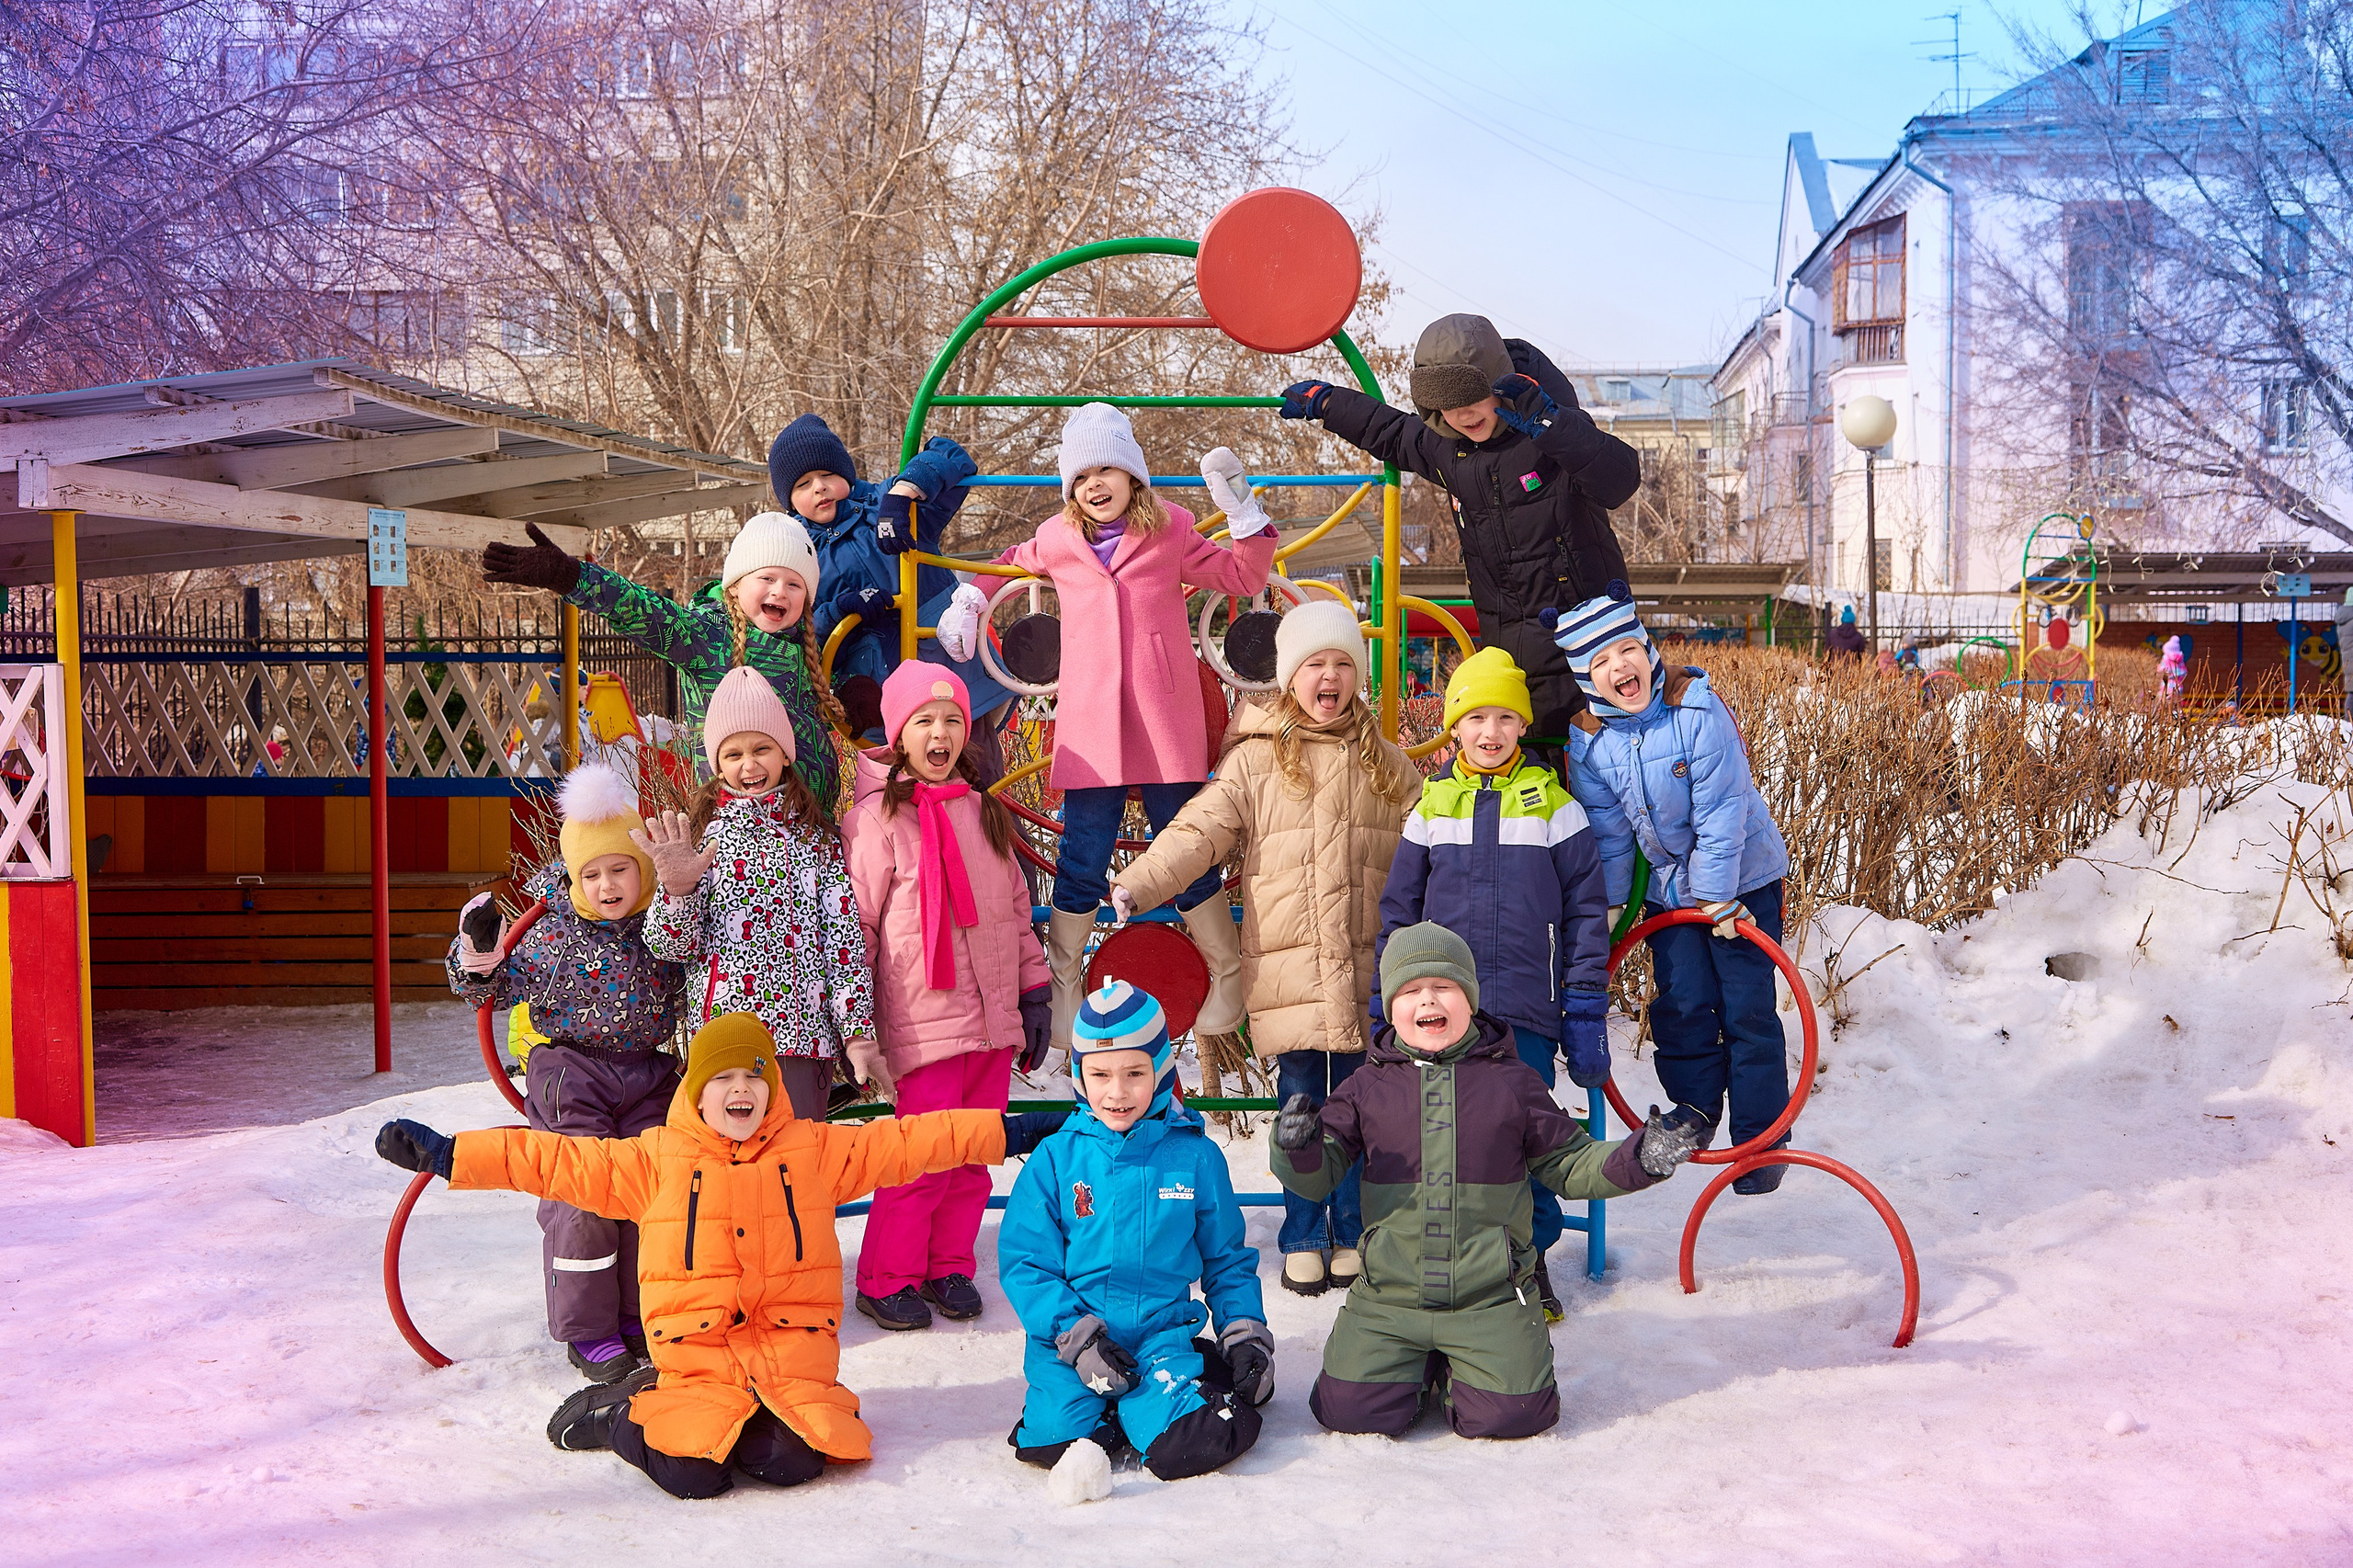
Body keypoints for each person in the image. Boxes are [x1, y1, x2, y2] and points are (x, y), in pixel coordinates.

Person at [372, 1013, 1066, 1498]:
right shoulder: (656, 1161)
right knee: (692, 1475)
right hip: (697, 1358)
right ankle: (622, 1416)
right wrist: (448, 1154)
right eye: (723, 1078)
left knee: (796, 1463)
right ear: (695, 1090)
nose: (741, 1091)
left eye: (755, 1077)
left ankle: (743, 1419)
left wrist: (1007, 1132)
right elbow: (551, 1159)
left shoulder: (814, 1151)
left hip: (791, 1359)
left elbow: (913, 1142)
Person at [936, 403, 1277, 1062]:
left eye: (1108, 470)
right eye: (1082, 475)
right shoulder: (1059, 540)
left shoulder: (1171, 530)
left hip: (1162, 721)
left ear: (1133, 477)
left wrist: (1243, 516)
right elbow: (1008, 563)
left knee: (1182, 845)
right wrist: (971, 600)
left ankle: (1226, 982)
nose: (1096, 485)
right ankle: (1065, 990)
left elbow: (1242, 577)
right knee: (1083, 854)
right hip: (1093, 730)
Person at [1273, 924, 1706, 1440]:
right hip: (1390, 1297)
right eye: (1410, 991)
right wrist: (1296, 1145)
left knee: (1516, 1415)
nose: (1427, 999)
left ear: (1470, 1001)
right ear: (1392, 1008)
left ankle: (1465, 1370)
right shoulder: (1366, 1087)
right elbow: (1318, 1176)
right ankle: (1412, 1368)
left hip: (1490, 1297)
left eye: (1444, 987)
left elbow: (1571, 1163)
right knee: (1346, 1412)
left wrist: (1642, 1156)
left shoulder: (1514, 1082)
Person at [1108, 601, 1417, 1299]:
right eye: (1315, 665)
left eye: (1342, 664)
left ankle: (1356, 1229)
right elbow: (1198, 832)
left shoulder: (1389, 766)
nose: (1329, 677)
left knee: (1368, 1106)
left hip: (1370, 970)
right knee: (1303, 1106)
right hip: (1289, 971)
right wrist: (1141, 882)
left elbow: (1430, 852)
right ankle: (1304, 1232)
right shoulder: (1256, 762)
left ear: (1357, 679)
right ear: (1288, 679)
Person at [1377, 644, 1610, 1320]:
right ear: (1454, 728)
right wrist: (1386, 1004)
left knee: (1526, 1141)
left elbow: (1585, 913)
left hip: (1527, 1012)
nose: (1489, 732)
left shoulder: (1553, 806)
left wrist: (1586, 1007)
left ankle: (1529, 1266)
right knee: (1453, 1142)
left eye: (1504, 718)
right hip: (1444, 1016)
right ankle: (1458, 1269)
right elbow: (1399, 913)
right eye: (1475, 717)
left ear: (1520, 727)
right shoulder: (1432, 808)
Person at [1274, 315, 1638, 744]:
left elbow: (1619, 479)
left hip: (1593, 642)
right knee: (1531, 784)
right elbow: (1390, 431)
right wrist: (1329, 403)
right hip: (1514, 654)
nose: (1464, 414)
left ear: (1501, 386)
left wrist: (1551, 425)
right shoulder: (1448, 449)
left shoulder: (1552, 432)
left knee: (1610, 774)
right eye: (1447, 403)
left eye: (1473, 397)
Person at [446, 762, 689, 1386]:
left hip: (649, 1072)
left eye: (620, 869)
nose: (608, 886)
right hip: (570, 1071)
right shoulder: (551, 934)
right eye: (593, 874)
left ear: (642, 870)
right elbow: (490, 986)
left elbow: (704, 974)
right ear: (575, 877)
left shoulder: (661, 926)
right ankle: (590, 1328)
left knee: (652, 1183)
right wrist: (477, 956)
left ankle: (638, 1312)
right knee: (583, 1189)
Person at [1557, 585, 1795, 1193]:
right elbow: (1611, 837)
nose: (1619, 668)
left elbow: (1723, 808)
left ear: (1648, 651)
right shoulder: (1590, 743)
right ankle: (1693, 1111)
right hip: (1671, 894)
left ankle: (1761, 1141)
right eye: (1601, 663)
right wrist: (1615, 902)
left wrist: (1717, 894)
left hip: (1743, 880)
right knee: (1682, 1003)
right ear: (1588, 679)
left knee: (1747, 1008)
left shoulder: (1695, 709)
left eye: (1627, 650)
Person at [842, 663, 1052, 1331]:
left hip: (990, 1020)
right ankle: (887, 1277)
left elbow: (1016, 911)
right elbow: (860, 925)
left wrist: (1034, 992)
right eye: (925, 721)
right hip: (920, 1017)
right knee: (920, 1159)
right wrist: (858, 1024)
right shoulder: (876, 818)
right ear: (899, 733)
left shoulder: (983, 811)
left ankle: (949, 1265)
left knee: (973, 1153)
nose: (941, 732)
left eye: (954, 720)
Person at [996, 980, 1271, 1483]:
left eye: (1134, 1073)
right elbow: (1026, 1264)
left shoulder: (1194, 1158)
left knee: (1191, 1444)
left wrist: (1245, 1333)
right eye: (1099, 1074)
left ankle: (1193, 1378)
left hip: (1157, 1336)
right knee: (1053, 1442)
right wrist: (1078, 1341)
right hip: (1071, 1340)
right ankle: (1110, 1408)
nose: (1116, 1092)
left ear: (1161, 1070)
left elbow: (1226, 1258)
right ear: (1080, 1075)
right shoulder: (1056, 1160)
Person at [633, 666, 872, 1122]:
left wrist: (857, 1033)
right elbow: (672, 946)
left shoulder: (814, 840)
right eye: (734, 754)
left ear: (784, 754)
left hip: (803, 1040)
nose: (749, 765)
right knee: (734, 1179)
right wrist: (677, 892)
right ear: (717, 764)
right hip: (727, 1041)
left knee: (797, 1174)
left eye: (762, 748)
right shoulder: (701, 838)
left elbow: (843, 946)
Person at [480, 513, 846, 805]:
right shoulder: (706, 637)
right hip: (739, 830)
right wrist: (571, 576)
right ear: (735, 585)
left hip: (814, 831)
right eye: (767, 578)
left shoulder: (807, 648)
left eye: (794, 584)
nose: (780, 591)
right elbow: (643, 611)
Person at [767, 415, 1016, 772]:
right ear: (790, 501)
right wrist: (839, 609)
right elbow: (802, 629)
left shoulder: (882, 505)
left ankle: (995, 828)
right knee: (904, 789)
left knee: (980, 778)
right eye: (804, 484)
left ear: (846, 475)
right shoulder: (799, 553)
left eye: (828, 475)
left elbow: (952, 455)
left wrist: (904, 492)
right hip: (884, 686)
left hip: (947, 665)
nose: (819, 488)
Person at [2159, 634, 2188, 702]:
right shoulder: (2180, 659)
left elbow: (2162, 670)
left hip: (2166, 685)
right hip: (2178, 685)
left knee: (2165, 703)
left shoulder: (2166, 658)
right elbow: (2184, 672)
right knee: (2176, 703)